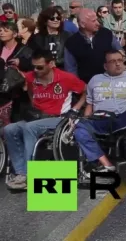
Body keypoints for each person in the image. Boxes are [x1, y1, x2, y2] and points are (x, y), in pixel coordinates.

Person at [4, 49, 86, 190]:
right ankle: (21, 173)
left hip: (59, 119)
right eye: (33, 67)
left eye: (40, 67)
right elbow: (25, 86)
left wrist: (76, 109)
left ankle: (29, 174)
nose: (35, 70)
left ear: (51, 64)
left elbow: (86, 90)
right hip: (37, 117)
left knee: (29, 128)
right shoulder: (30, 77)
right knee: (9, 129)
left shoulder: (66, 78)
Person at [73, 50, 126, 176]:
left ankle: (102, 162)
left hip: (122, 117)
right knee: (79, 129)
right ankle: (106, 164)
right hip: (99, 118)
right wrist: (85, 120)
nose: (117, 64)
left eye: (120, 60)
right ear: (105, 66)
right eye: (113, 61)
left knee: (89, 126)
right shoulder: (95, 80)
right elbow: (90, 104)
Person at [64, 8, 122, 84]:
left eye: (97, 20)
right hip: (86, 86)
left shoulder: (106, 34)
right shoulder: (71, 43)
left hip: (110, 83)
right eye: (94, 21)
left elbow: (120, 53)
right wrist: (80, 87)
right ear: (82, 24)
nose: (98, 23)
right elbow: (70, 69)